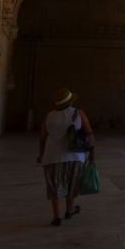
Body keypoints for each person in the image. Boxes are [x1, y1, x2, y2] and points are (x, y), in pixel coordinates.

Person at [36, 87, 94, 226]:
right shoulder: (78, 113)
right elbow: (89, 134)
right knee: (72, 184)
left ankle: (57, 216)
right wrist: (92, 153)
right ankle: (69, 210)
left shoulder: (49, 116)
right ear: (70, 102)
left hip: (52, 157)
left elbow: (43, 138)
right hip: (75, 156)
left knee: (55, 186)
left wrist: (41, 154)